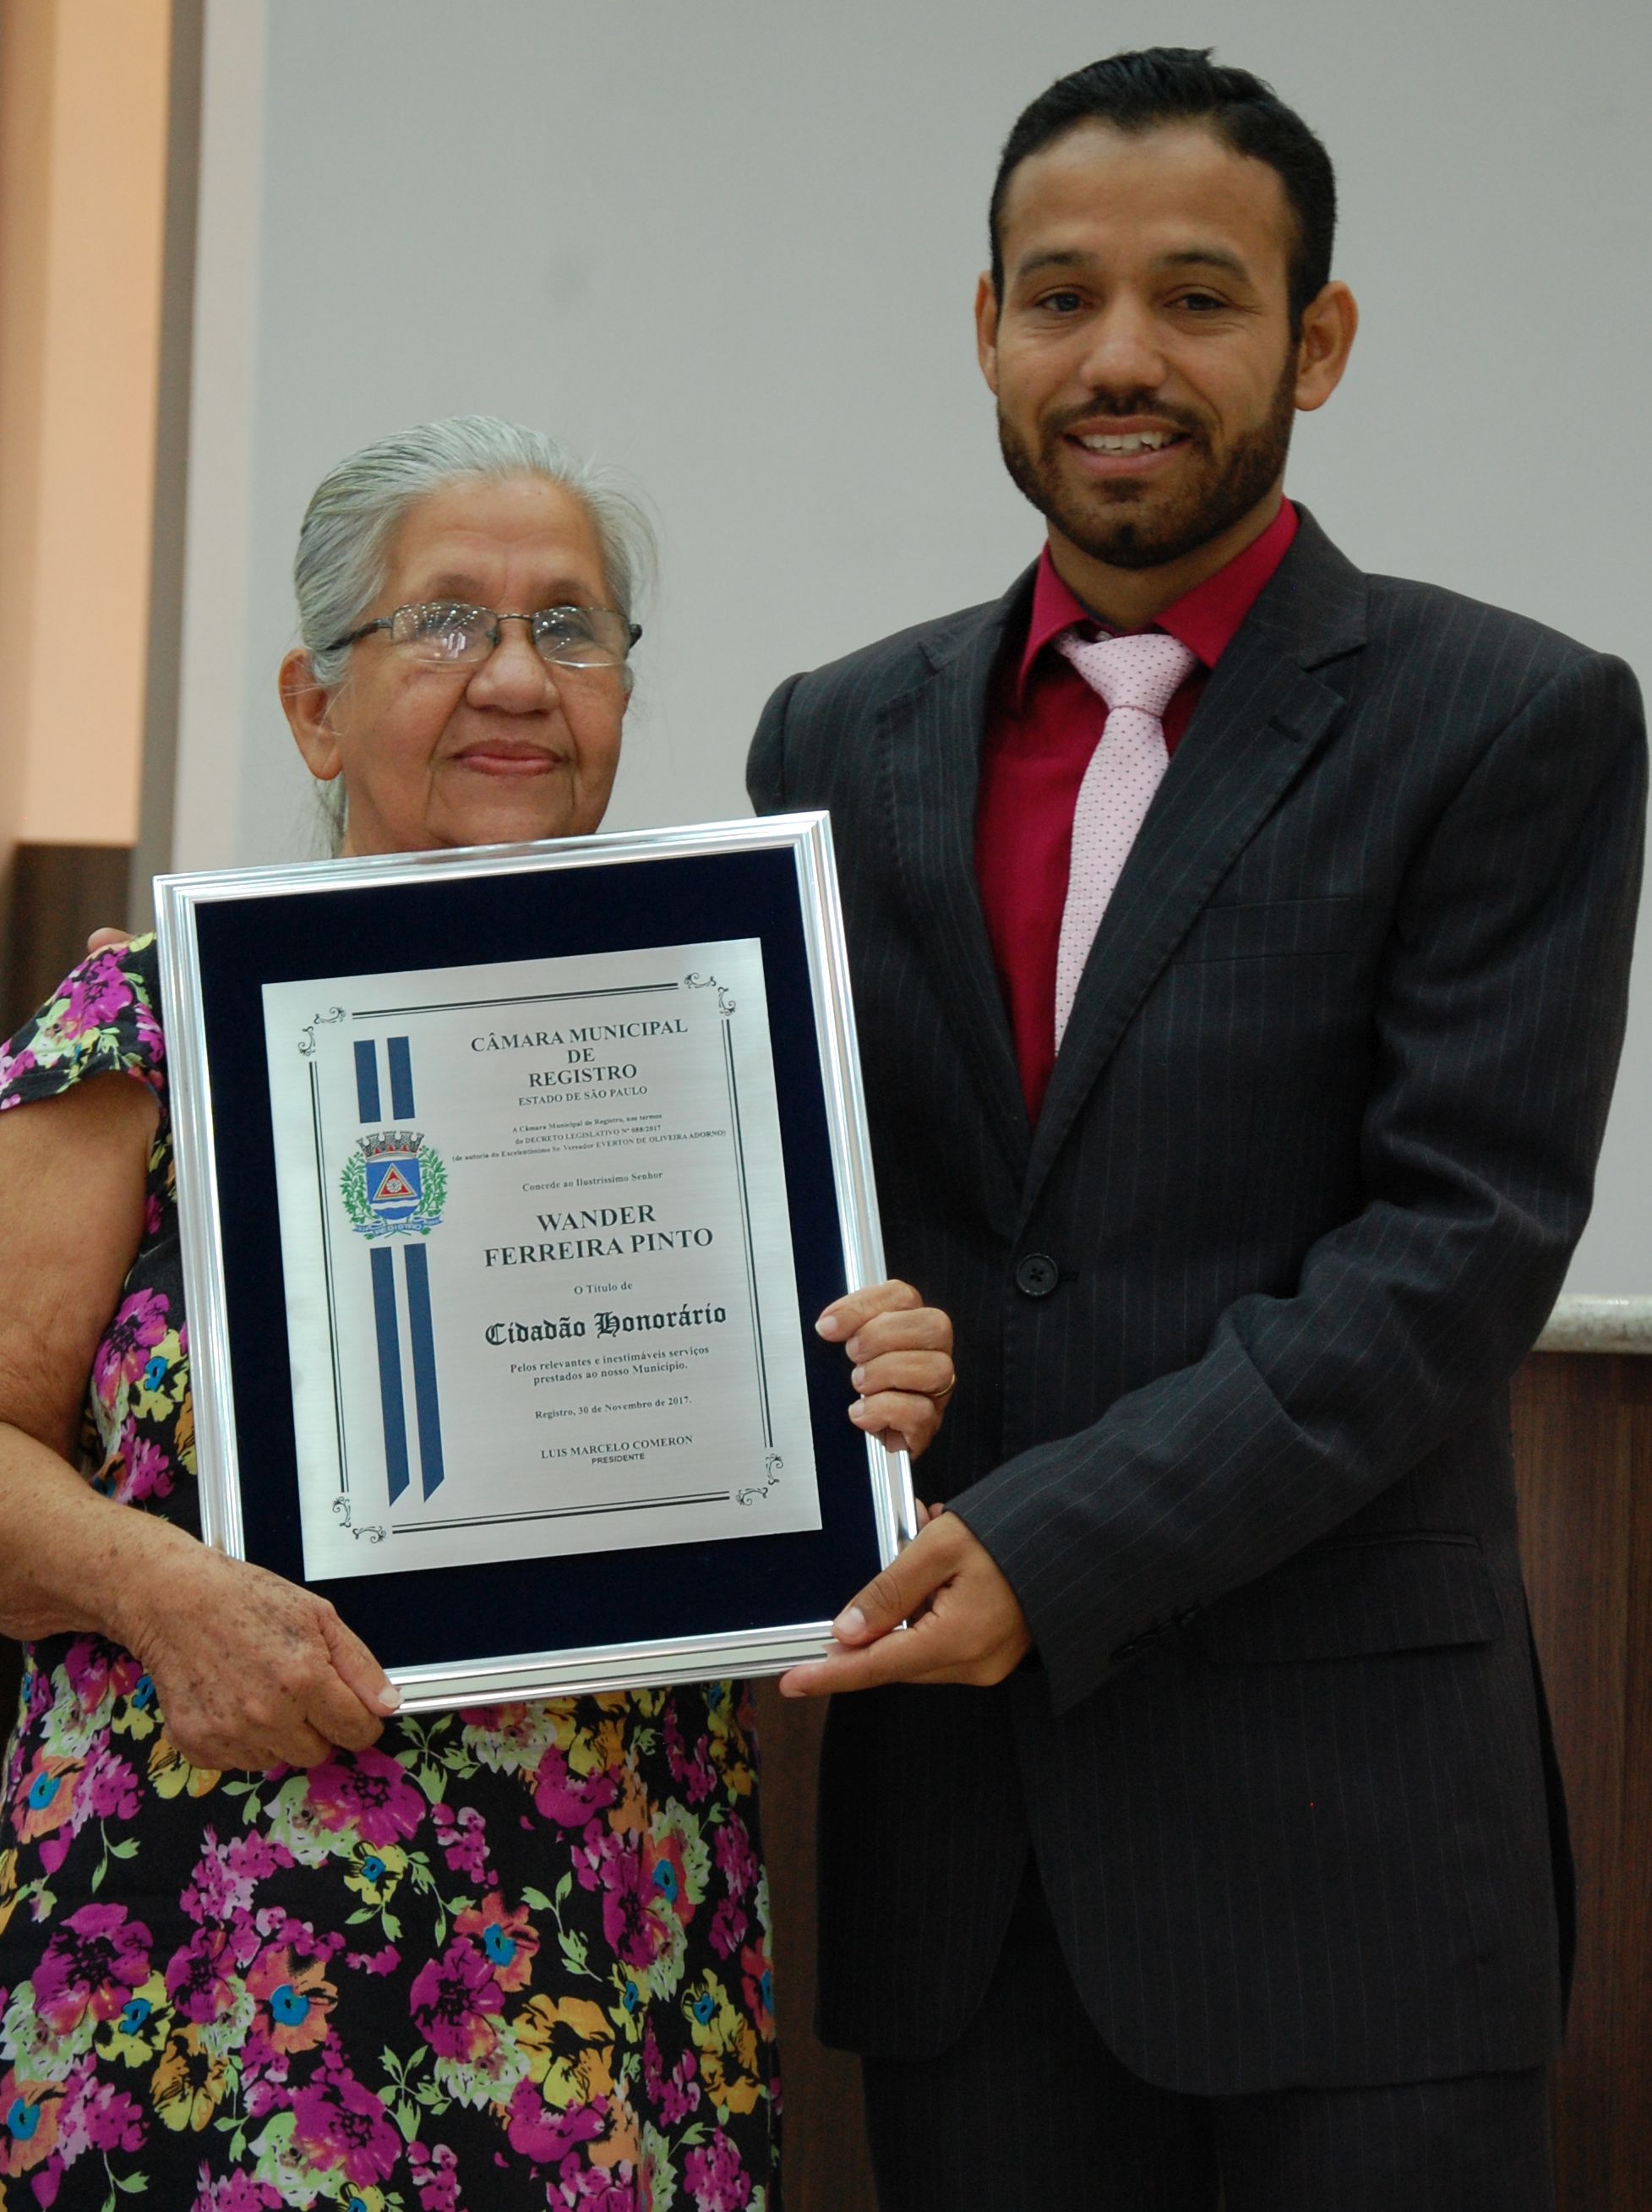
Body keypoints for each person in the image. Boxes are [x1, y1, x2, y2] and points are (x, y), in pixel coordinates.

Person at [748, 49, 1646, 2212]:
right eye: (1061, 298)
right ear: (987, 329)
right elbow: (784, 1205)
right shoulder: (833, 734)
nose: (1121, 358)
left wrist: (1056, 1549)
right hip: (966, 1872)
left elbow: (1452, 1252)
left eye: (1200, 297)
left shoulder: (1511, 720)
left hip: (1352, 1867)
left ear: (1316, 341)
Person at [0, 415, 954, 2210]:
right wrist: (162, 1592)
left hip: (606, 1955)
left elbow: (781, 1501)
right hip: (211, 1978)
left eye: (569, 627)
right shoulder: (146, 1025)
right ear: (313, 706)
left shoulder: (722, 1035)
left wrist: (870, 1406)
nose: (516, 677)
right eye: (443, 620)